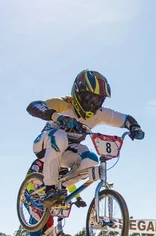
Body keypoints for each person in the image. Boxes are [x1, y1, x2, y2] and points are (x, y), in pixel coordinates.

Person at [27, 69, 145, 208]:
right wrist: (58, 117)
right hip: (44, 145)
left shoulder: (99, 113)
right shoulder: (64, 104)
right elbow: (33, 106)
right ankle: (50, 189)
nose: (92, 104)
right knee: (60, 135)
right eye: (90, 98)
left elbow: (125, 119)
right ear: (78, 93)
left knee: (91, 159)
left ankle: (61, 187)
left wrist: (134, 127)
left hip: (69, 151)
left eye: (98, 100)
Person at [25, 159, 85, 236]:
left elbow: (69, 183)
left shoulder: (60, 165)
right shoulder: (39, 163)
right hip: (31, 193)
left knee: (50, 222)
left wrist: (78, 198)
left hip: (46, 196)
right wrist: (31, 191)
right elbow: (29, 177)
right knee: (36, 215)